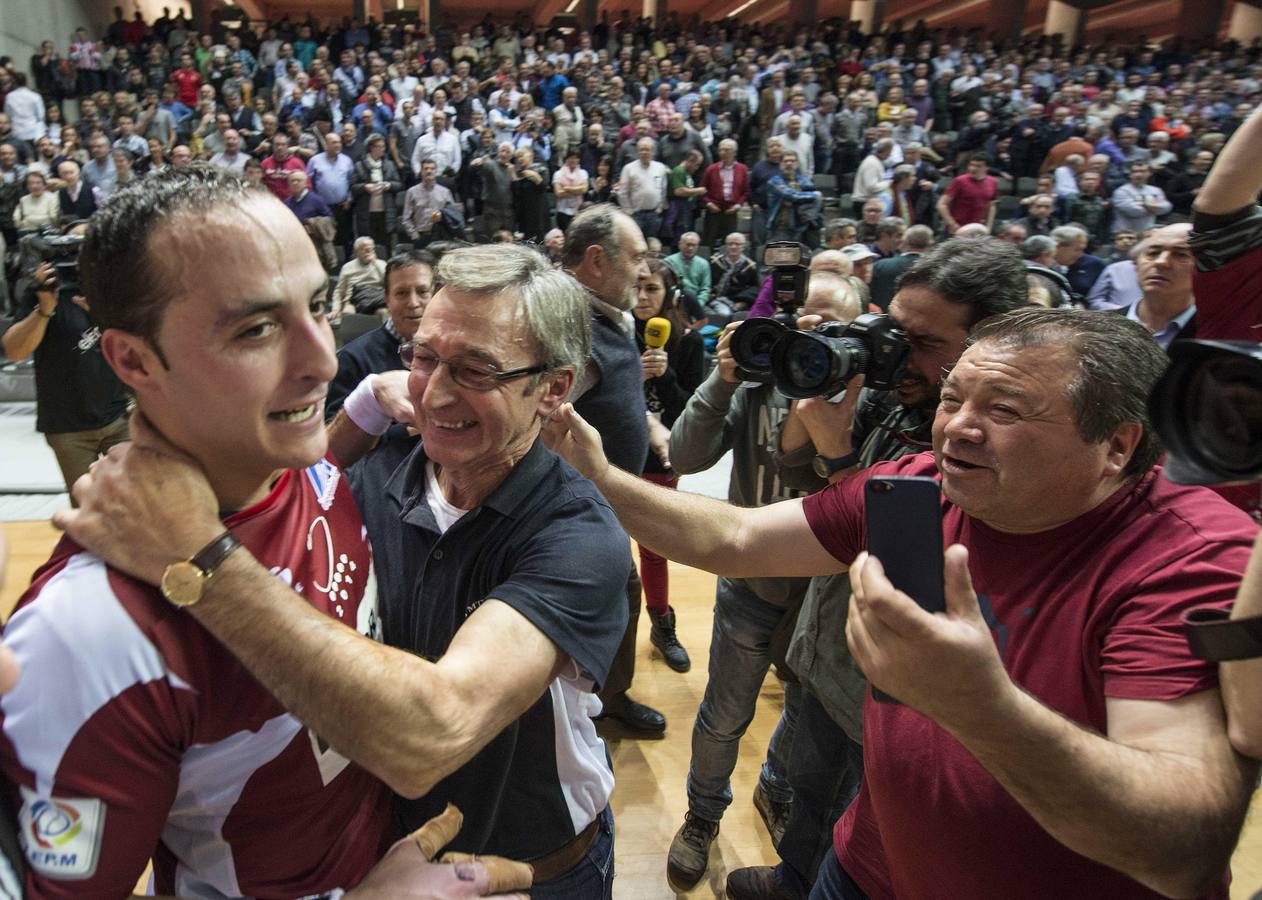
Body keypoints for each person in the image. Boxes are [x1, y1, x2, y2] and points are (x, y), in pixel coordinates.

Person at [553, 301, 1256, 900]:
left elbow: (1181, 845)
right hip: (864, 868)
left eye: (1004, 409)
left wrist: (979, 705)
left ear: (1117, 445)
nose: (958, 428)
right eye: (955, 397)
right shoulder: (917, 485)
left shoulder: (1189, 557)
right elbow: (735, 539)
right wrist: (600, 476)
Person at [2, 165, 533, 900]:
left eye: (316, 306)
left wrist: (373, 411)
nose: (321, 361)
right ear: (131, 359)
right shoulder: (84, 635)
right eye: (255, 329)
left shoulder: (297, 461)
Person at [666, 273, 861, 893]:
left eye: (828, 323)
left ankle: (775, 787)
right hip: (752, 588)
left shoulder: (865, 402)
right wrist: (722, 378)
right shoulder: (755, 383)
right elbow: (684, 456)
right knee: (724, 717)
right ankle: (701, 818)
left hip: (826, 601)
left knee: (806, 717)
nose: (810, 332)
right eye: (804, 317)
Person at [560, 203, 665, 735]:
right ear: (597, 260)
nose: (645, 270)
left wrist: (646, 422)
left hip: (605, 505)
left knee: (622, 598)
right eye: (637, 257)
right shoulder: (572, 324)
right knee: (608, 600)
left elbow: (601, 399)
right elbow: (542, 421)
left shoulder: (605, 315)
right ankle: (586, 712)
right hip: (578, 511)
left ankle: (607, 699)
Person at [0, 256, 129, 496]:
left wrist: (104, 315)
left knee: (137, 500)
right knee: (88, 507)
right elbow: (15, 351)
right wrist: (44, 309)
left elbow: (141, 343)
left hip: (120, 417)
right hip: (68, 427)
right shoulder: (42, 293)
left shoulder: (111, 286)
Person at [632, 259, 705, 674]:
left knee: (654, 547)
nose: (643, 297)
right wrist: (633, 378)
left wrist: (663, 375)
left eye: (652, 289)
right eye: (638, 288)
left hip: (662, 455)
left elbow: (691, 410)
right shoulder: (617, 334)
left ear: (670, 294)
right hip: (612, 453)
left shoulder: (689, 343)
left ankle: (661, 622)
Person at [351, 134, 403, 252]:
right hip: (367, 213)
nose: (382, 149)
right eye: (379, 146)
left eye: (383, 146)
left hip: (385, 213)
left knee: (386, 244)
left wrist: (389, 185)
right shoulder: (359, 166)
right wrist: (364, 187)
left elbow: (399, 184)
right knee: (368, 245)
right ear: (371, 148)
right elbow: (353, 187)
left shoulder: (389, 165)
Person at [868, 223, 932, 312]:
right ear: (930, 243)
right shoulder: (936, 269)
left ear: (905, 241)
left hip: (882, 320)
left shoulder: (881, 265)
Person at [617, 137, 669, 239]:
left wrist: (660, 208)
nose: (644, 152)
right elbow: (622, 192)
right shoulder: (629, 168)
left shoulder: (660, 167)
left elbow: (663, 189)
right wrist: (629, 211)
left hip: (654, 215)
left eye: (647, 149)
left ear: (653, 151)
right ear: (637, 151)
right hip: (636, 214)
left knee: (652, 245)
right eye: (641, 149)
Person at [400, 158, 454, 248]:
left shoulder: (445, 192)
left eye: (432, 169)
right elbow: (406, 218)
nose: (429, 171)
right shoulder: (411, 192)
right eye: (426, 168)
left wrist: (442, 216)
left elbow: (453, 214)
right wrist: (415, 235)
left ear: (436, 171)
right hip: (421, 236)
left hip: (441, 236)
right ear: (421, 172)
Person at [937, 153, 997, 234]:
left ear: (987, 168)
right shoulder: (960, 181)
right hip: (956, 230)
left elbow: (991, 206)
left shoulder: (992, 182)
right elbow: (941, 204)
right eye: (971, 165)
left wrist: (988, 228)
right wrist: (953, 225)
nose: (972, 168)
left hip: (977, 230)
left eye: (978, 166)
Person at [708, 232, 760, 322]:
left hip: (737, 300)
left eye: (737, 244)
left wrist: (743, 302)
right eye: (730, 244)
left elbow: (755, 288)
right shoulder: (714, 262)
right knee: (725, 314)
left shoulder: (750, 266)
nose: (733, 247)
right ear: (726, 246)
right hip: (716, 298)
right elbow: (707, 282)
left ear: (743, 247)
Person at [1111, 162, 1171, 234]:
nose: (1138, 174)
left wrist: (1143, 204)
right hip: (1125, 234)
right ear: (1130, 175)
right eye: (1135, 171)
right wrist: (1154, 208)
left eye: (1143, 171)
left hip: (1147, 233)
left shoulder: (1156, 190)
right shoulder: (1121, 191)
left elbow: (1166, 208)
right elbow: (1134, 211)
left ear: (1149, 173)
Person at [334, 236, 387, 317]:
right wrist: (335, 309)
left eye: (371, 249)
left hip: (377, 300)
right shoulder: (347, 267)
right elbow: (339, 291)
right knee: (348, 313)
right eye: (365, 249)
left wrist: (375, 263)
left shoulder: (382, 264)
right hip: (353, 301)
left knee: (384, 312)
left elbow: (388, 284)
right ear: (357, 252)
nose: (369, 252)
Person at [663, 231, 710, 323]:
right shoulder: (668, 262)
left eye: (694, 245)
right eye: (688, 244)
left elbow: (706, 288)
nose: (690, 248)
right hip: (674, 301)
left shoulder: (704, 264)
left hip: (696, 302)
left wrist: (697, 304)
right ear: (680, 244)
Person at [1052, 224, 1105, 298]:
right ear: (1058, 246)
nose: (1080, 254)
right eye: (1077, 249)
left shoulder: (1094, 264)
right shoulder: (1041, 265)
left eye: (1083, 249)